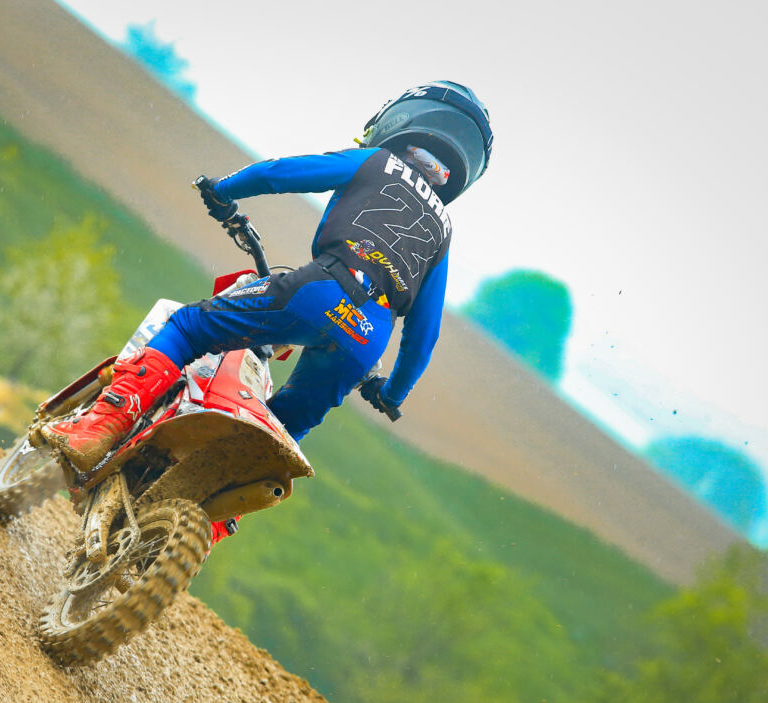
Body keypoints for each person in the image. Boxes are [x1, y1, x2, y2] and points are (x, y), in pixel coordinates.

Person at [43, 81, 494, 473]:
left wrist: (223, 191)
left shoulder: (375, 161)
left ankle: (100, 428)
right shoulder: (442, 231)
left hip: (322, 290)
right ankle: (212, 520)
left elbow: (284, 173)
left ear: (403, 119)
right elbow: (424, 334)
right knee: (280, 431)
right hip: (368, 338)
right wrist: (391, 393)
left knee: (187, 327)